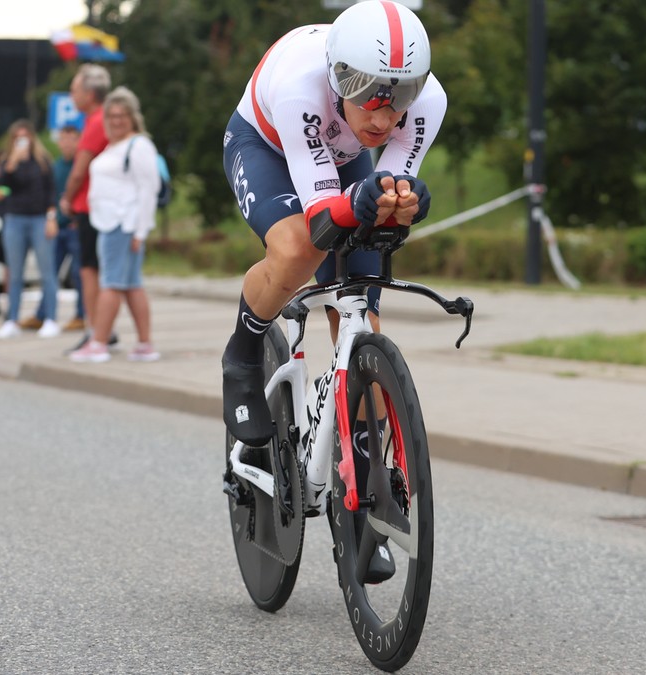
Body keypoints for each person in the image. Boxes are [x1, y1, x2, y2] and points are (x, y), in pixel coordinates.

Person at [220, 1, 442, 584]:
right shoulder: (300, 86)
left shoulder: (426, 104)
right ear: (337, 74)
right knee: (299, 251)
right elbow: (324, 221)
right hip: (268, 145)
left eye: (399, 94)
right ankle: (242, 356)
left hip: (342, 161)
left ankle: (366, 482)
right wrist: (363, 200)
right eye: (365, 89)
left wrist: (402, 201)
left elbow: (387, 195)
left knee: (363, 305)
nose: (382, 111)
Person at [68, 87, 161, 364]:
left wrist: (141, 230)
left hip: (124, 224)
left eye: (122, 115)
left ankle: (98, 342)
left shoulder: (139, 145)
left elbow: (148, 188)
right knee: (131, 285)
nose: (116, 120)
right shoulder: (114, 146)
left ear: (133, 117)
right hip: (110, 222)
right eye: (111, 115)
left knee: (111, 284)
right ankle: (145, 344)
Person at [59, 64, 115, 353]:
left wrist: (66, 198)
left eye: (74, 89)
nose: (72, 94)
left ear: (90, 93)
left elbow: (79, 170)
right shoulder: (104, 119)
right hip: (103, 205)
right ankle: (104, 329)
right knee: (102, 270)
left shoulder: (95, 121)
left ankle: (96, 331)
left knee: (89, 271)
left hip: (89, 206)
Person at [0, 120, 61, 340]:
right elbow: (2, 186)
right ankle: (11, 319)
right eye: (17, 137)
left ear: (32, 138)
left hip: (39, 218)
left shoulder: (42, 162)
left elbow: (51, 191)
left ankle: (50, 318)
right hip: (15, 219)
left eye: (25, 136)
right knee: (14, 273)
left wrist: (51, 217)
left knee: (47, 272)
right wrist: (11, 163)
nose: (22, 141)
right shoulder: (7, 162)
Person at [27, 124, 85, 333]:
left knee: (79, 274)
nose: (67, 143)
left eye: (71, 139)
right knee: (49, 271)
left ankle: (82, 315)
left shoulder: (82, 164)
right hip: (58, 226)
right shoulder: (56, 166)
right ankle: (42, 313)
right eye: (63, 139)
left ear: (79, 141)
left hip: (76, 225)